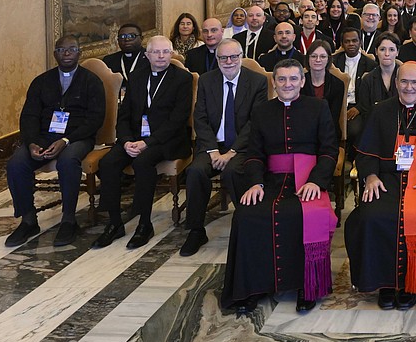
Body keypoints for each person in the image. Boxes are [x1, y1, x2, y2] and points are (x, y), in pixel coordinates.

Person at [222, 60, 339, 315]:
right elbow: (254, 154)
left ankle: (306, 286)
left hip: (307, 179)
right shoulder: (262, 111)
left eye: (293, 79)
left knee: (300, 213)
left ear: (302, 81)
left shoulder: (318, 107)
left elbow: (329, 151)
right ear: (274, 82)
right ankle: (253, 286)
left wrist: (316, 182)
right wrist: (255, 183)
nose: (288, 84)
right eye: (282, 79)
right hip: (272, 180)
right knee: (247, 214)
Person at [345, 62, 416, 310]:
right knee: (370, 216)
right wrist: (370, 176)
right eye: (404, 82)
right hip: (386, 179)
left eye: (414, 82)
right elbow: (365, 153)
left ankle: (412, 284)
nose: (409, 87)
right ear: (397, 82)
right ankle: (385, 284)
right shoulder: (380, 111)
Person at [93, 36, 192, 249]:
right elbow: (125, 113)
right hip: (136, 137)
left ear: (172, 53)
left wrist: (148, 142)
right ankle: (114, 222)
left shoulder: (182, 78)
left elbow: (178, 118)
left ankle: (144, 223)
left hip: (168, 139)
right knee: (108, 163)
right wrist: (127, 140)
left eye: (166, 52)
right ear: (147, 55)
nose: (161, 56)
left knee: (143, 162)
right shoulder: (137, 76)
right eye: (156, 52)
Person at [6, 35, 105, 247]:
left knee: (67, 161)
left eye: (71, 49)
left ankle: (69, 220)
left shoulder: (91, 81)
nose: (67, 53)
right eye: (61, 50)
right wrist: (32, 142)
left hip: (77, 137)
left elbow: (95, 119)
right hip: (43, 137)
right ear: (55, 54)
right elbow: (29, 116)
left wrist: (67, 140)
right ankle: (28, 219)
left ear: (80, 53)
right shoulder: (41, 81)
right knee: (16, 163)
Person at [181, 39, 268, 257]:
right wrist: (212, 151)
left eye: (233, 57)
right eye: (223, 58)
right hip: (212, 145)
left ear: (241, 56)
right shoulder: (206, 80)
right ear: (217, 59)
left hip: (242, 146)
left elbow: (255, 122)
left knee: (233, 171)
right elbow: (199, 118)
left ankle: (247, 223)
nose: (228, 62)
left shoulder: (257, 81)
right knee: (195, 171)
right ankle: (196, 230)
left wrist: (230, 153)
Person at [353, 33, 401, 152]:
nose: (387, 54)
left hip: (401, 127)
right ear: (376, 51)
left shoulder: (405, 78)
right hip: (375, 129)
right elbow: (365, 110)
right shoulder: (367, 79)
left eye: (391, 49)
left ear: (397, 52)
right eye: (382, 49)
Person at [303, 40, 350, 142]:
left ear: (329, 59)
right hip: (303, 133)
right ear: (308, 58)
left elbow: (333, 117)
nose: (318, 60)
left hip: (328, 134)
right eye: (314, 56)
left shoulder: (337, 84)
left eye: (323, 56)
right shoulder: (299, 83)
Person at [103, 23, 149, 91]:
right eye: (122, 36)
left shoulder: (150, 58)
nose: (127, 39)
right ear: (118, 40)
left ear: (141, 38)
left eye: (132, 36)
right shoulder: (109, 60)